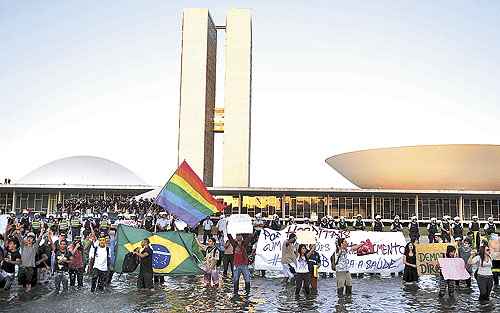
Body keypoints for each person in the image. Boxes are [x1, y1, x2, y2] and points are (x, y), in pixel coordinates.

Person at [15, 226, 46, 292]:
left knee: (29, 285)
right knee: (21, 285)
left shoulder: (34, 248)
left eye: (31, 238)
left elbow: (39, 240)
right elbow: (20, 238)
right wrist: (18, 230)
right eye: (28, 238)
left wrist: (42, 232)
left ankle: (29, 297)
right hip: (22, 267)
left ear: (33, 240)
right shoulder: (23, 246)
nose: (29, 239)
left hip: (30, 268)